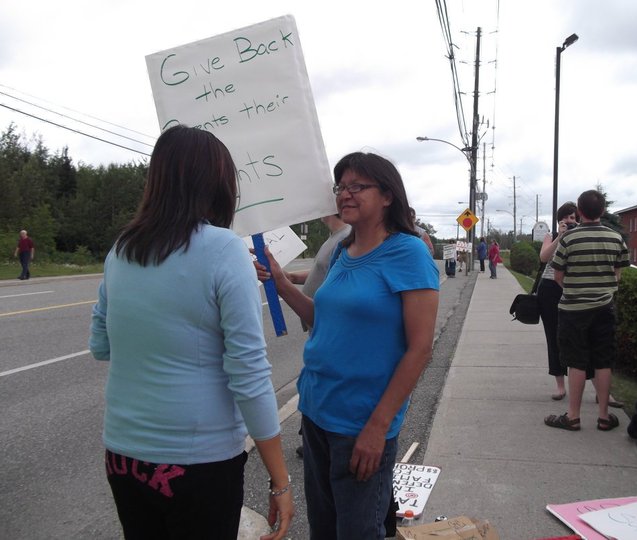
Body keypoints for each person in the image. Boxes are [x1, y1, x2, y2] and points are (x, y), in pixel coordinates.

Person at [88, 125, 294, 540]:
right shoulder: (224, 249)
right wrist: (281, 480)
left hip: (124, 456)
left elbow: (100, 344)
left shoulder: (121, 249)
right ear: (219, 185)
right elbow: (249, 374)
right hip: (197, 462)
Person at [257, 151, 439, 539]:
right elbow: (324, 319)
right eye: (341, 187)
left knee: (358, 531)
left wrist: (379, 426)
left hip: (362, 421)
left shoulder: (408, 253)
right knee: (324, 528)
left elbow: (420, 348)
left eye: (358, 186)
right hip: (318, 410)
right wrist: (281, 282)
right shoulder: (342, 250)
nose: (345, 194)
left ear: (387, 195)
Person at [544, 189, 629, 432]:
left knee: (576, 362)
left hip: (573, 309)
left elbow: (558, 275)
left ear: (579, 212)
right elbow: (618, 274)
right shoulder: (615, 238)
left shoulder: (569, 239)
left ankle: (573, 416)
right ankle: (604, 416)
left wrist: (573, 290)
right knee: (603, 360)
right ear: (602, 210)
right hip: (604, 308)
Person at [283, 214, 351, 459]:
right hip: (318, 325)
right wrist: (292, 277)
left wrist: (282, 282)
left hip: (326, 326)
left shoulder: (346, 237)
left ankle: (317, 437)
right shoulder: (335, 238)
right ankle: (310, 432)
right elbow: (319, 270)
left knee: (321, 374)